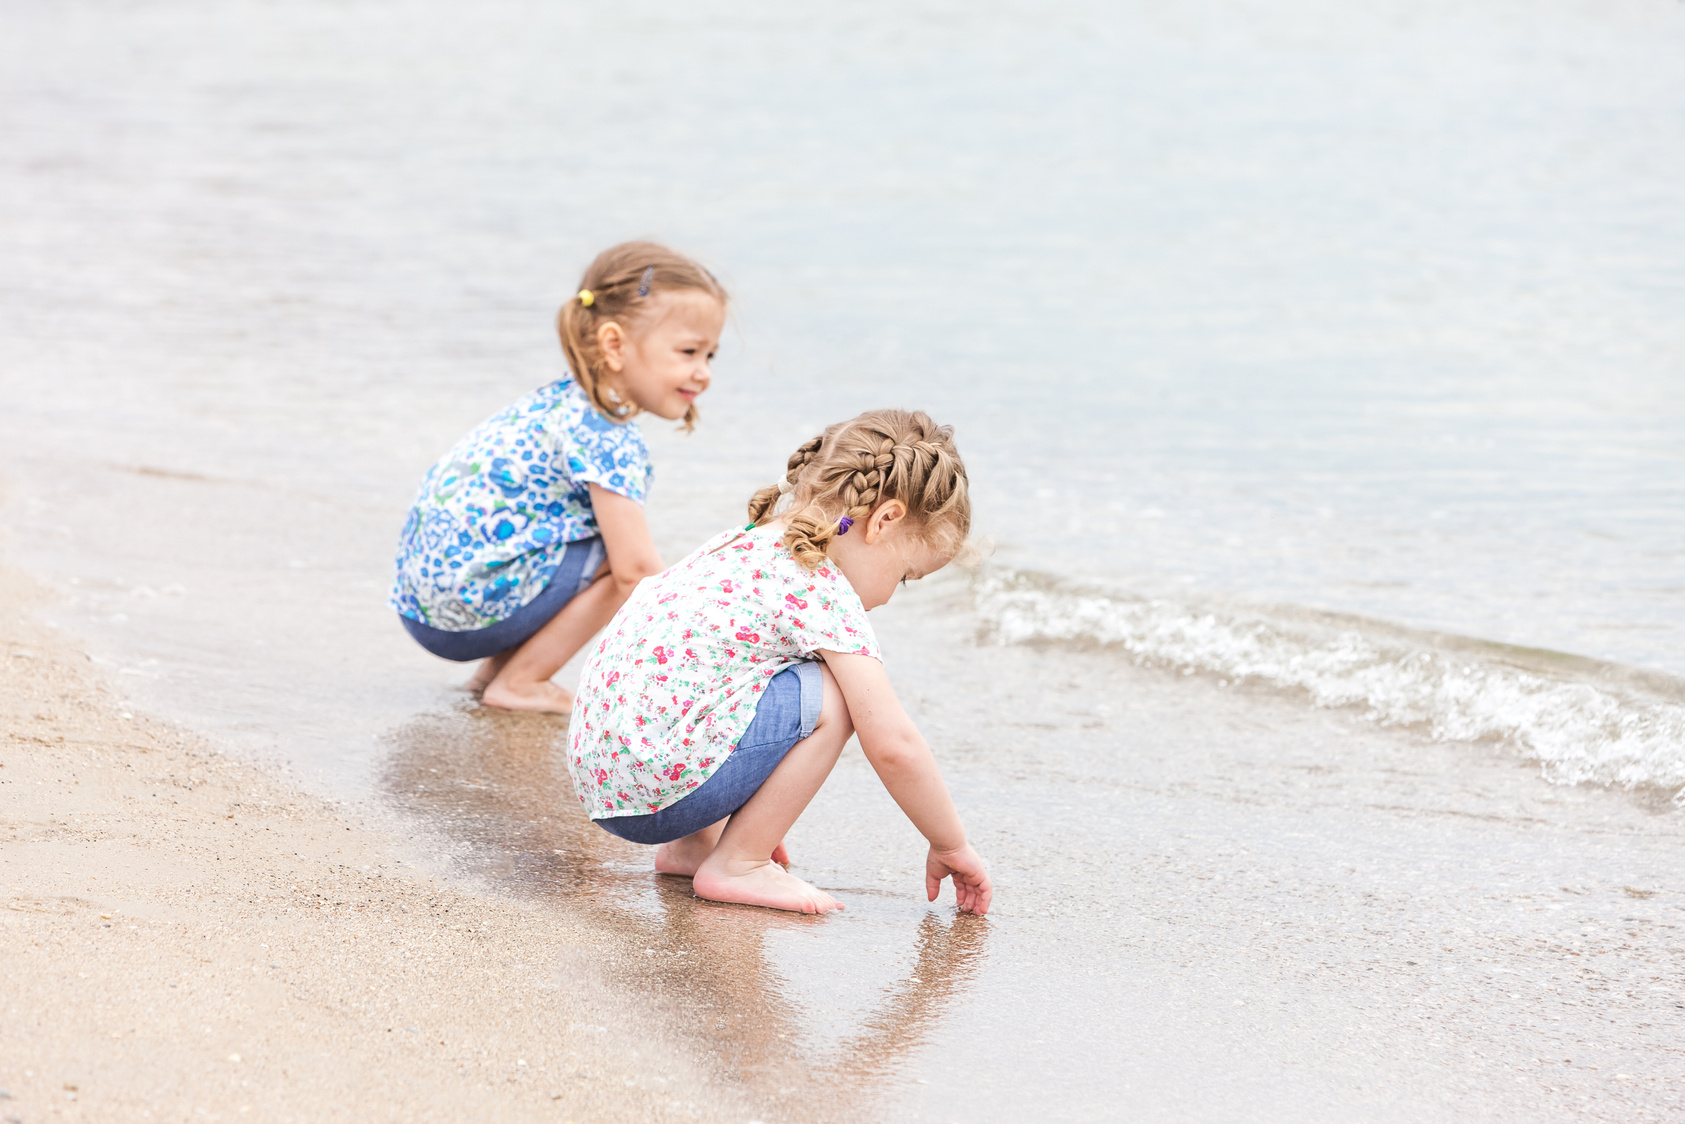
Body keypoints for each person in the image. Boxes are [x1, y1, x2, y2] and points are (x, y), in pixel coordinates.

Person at [566, 409, 993, 916]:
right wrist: (950, 844)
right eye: (904, 575)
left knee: (735, 676)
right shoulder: (820, 582)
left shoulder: (747, 539)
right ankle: (738, 863)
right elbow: (894, 744)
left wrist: (748, 806)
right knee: (834, 695)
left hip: (604, 778)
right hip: (658, 788)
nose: (891, 595)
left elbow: (706, 682)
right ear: (884, 520)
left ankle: (694, 847)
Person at [388, 242, 726, 713]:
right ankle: (522, 681)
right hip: (469, 614)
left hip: (426, 606)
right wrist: (705, 657)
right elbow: (637, 574)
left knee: (573, 534)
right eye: (689, 351)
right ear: (614, 345)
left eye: (711, 354)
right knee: (620, 554)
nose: (704, 372)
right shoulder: (607, 435)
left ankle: (496, 674)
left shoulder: (563, 403)